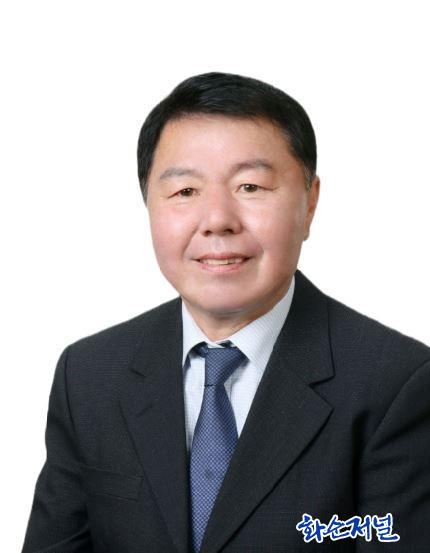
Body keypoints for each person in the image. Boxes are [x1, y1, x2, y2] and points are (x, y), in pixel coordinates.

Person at [22, 72, 430, 553]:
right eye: (185, 192)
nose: (217, 220)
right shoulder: (89, 375)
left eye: (250, 186)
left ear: (310, 202)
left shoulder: (395, 383)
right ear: (148, 202)